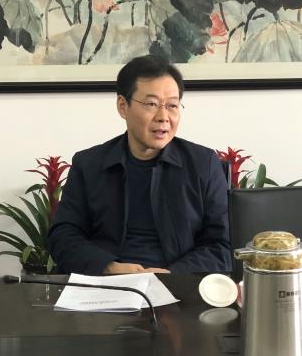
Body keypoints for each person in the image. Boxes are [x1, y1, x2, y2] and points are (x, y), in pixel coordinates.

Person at [47, 55, 231, 275]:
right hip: (107, 284)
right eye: (151, 104)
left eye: (172, 105)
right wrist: (109, 267)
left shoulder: (204, 164)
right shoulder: (89, 165)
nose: (163, 117)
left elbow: (222, 245)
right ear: (123, 106)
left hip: (178, 284)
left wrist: (172, 275)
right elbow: (63, 236)